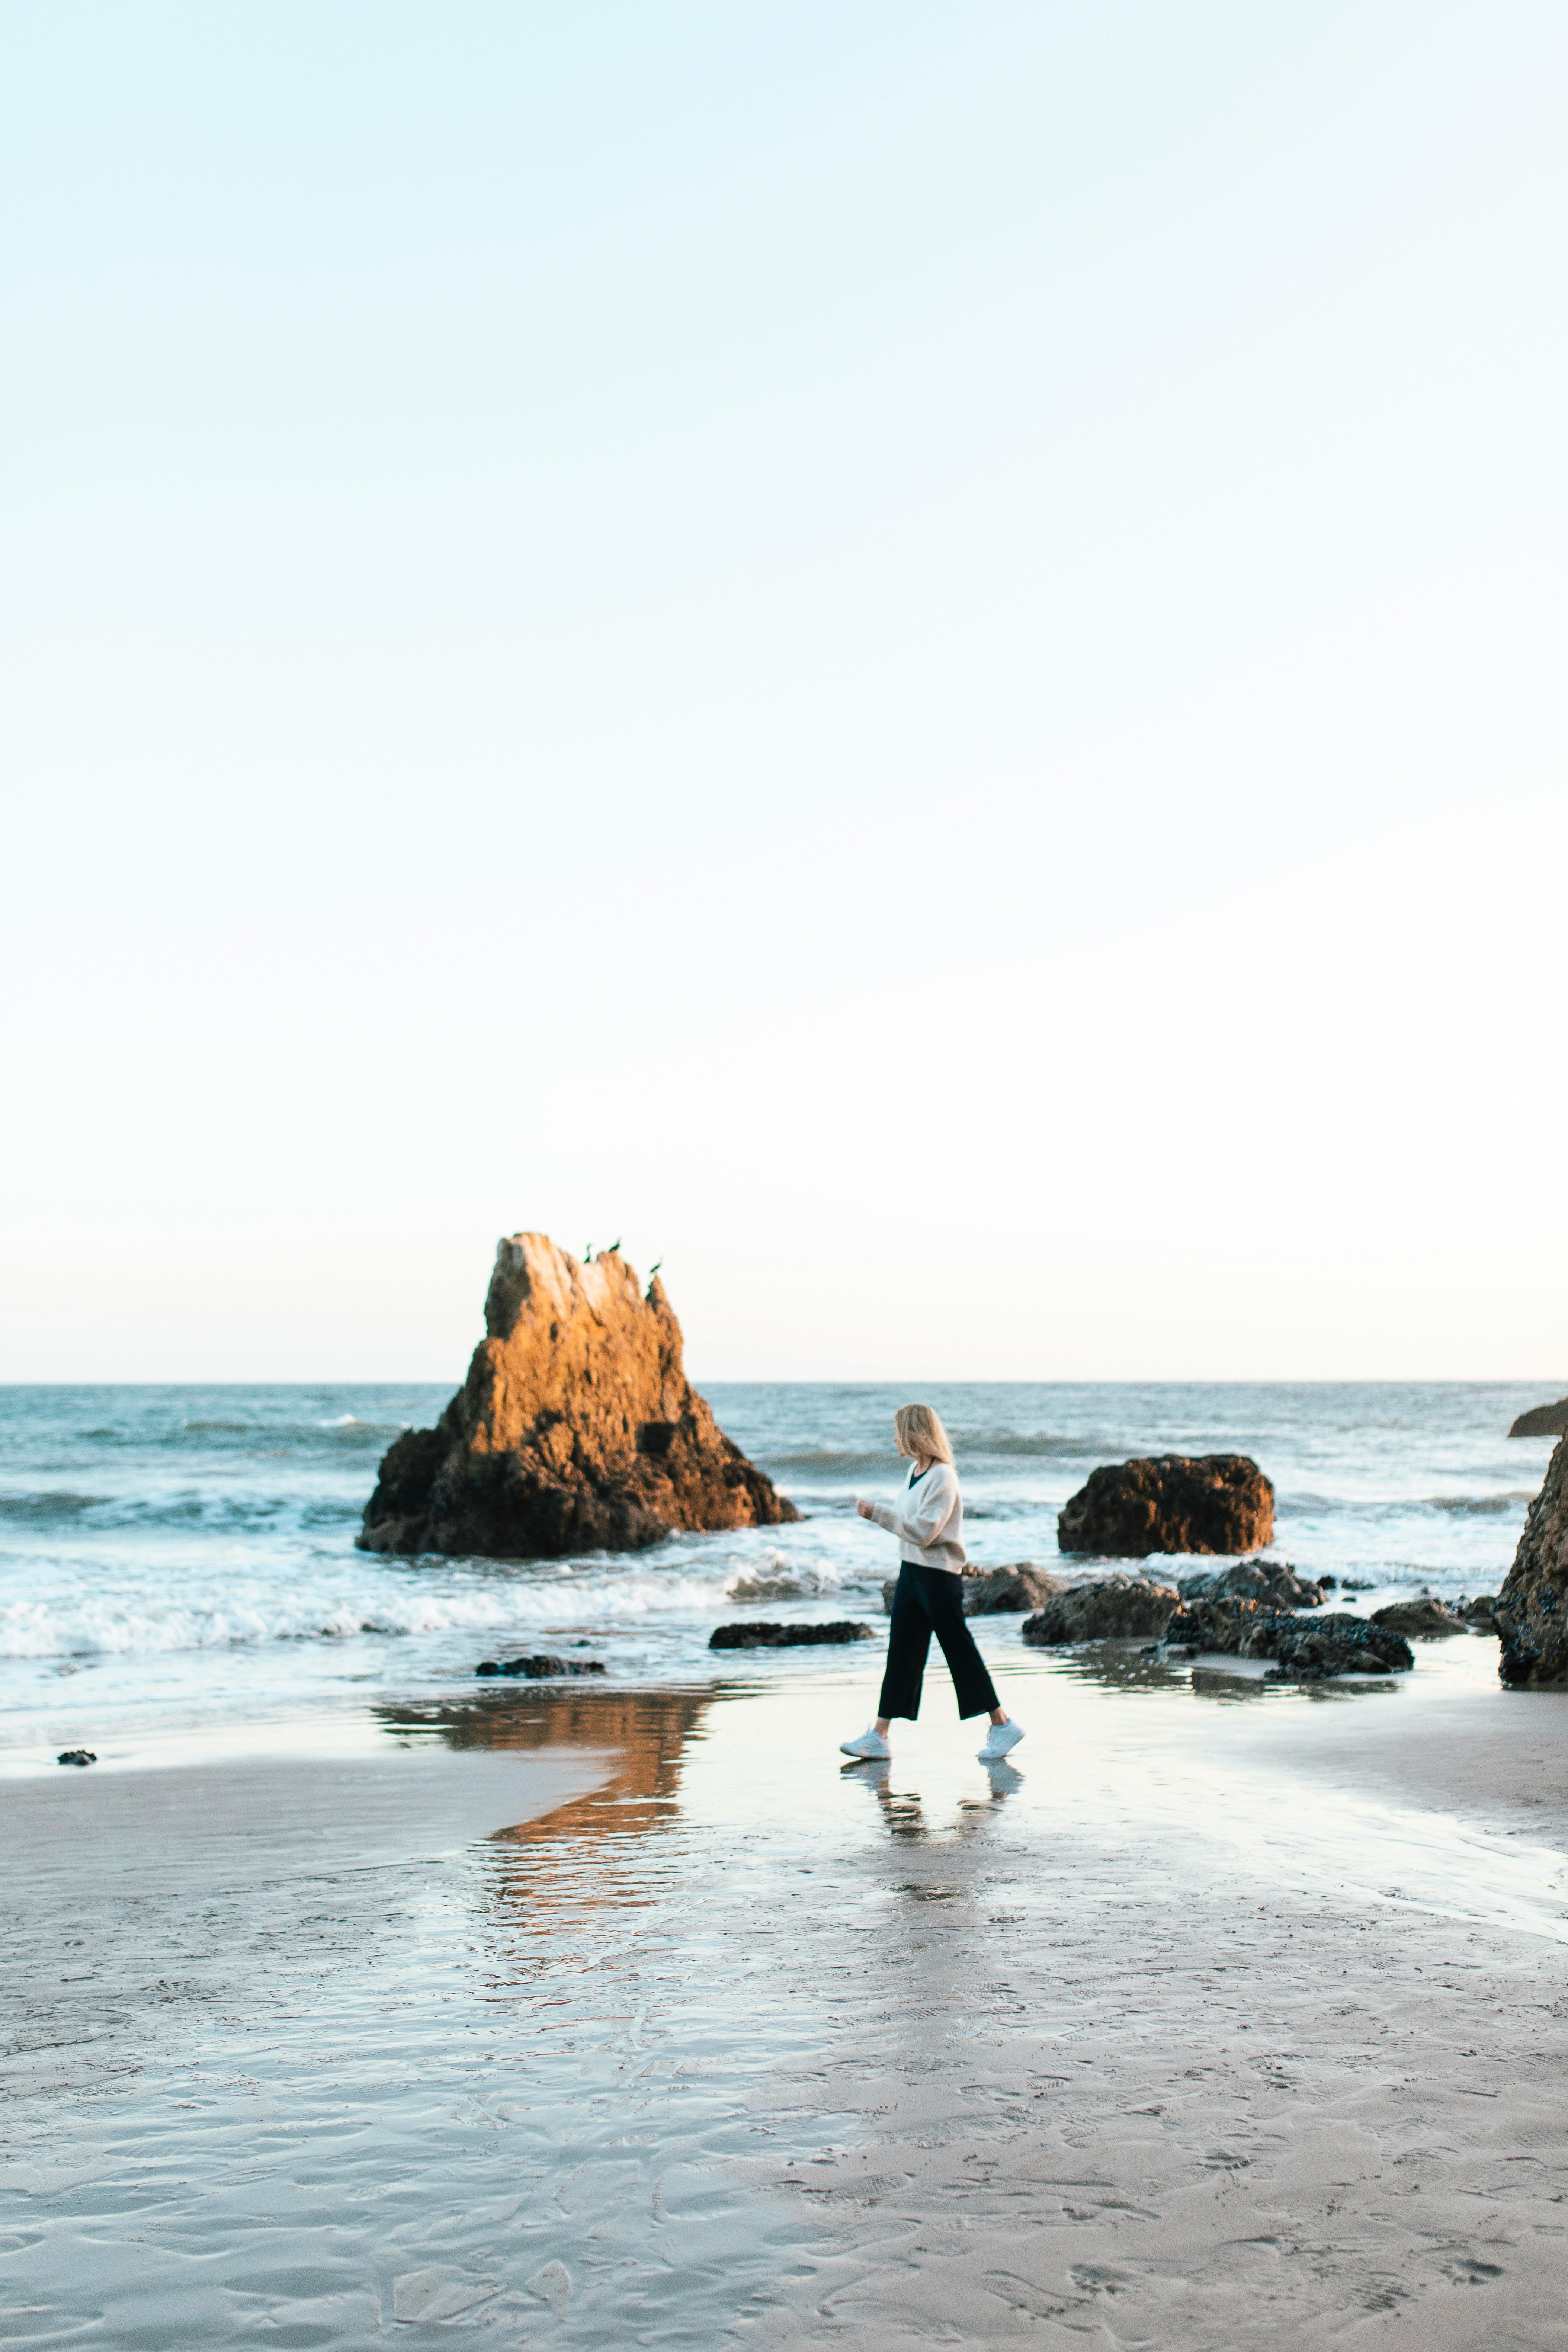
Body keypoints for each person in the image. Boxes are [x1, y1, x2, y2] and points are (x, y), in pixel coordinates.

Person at [840, 1403, 1024, 1764]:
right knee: (902, 1653)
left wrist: (876, 1513)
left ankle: (1003, 1725)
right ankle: (879, 1736)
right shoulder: (914, 1470)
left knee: (959, 1650)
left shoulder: (944, 1476)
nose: (894, 1438)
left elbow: (925, 1531)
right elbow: (910, 1524)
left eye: (898, 1431)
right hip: (912, 1571)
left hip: (939, 1576)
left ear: (914, 1432)